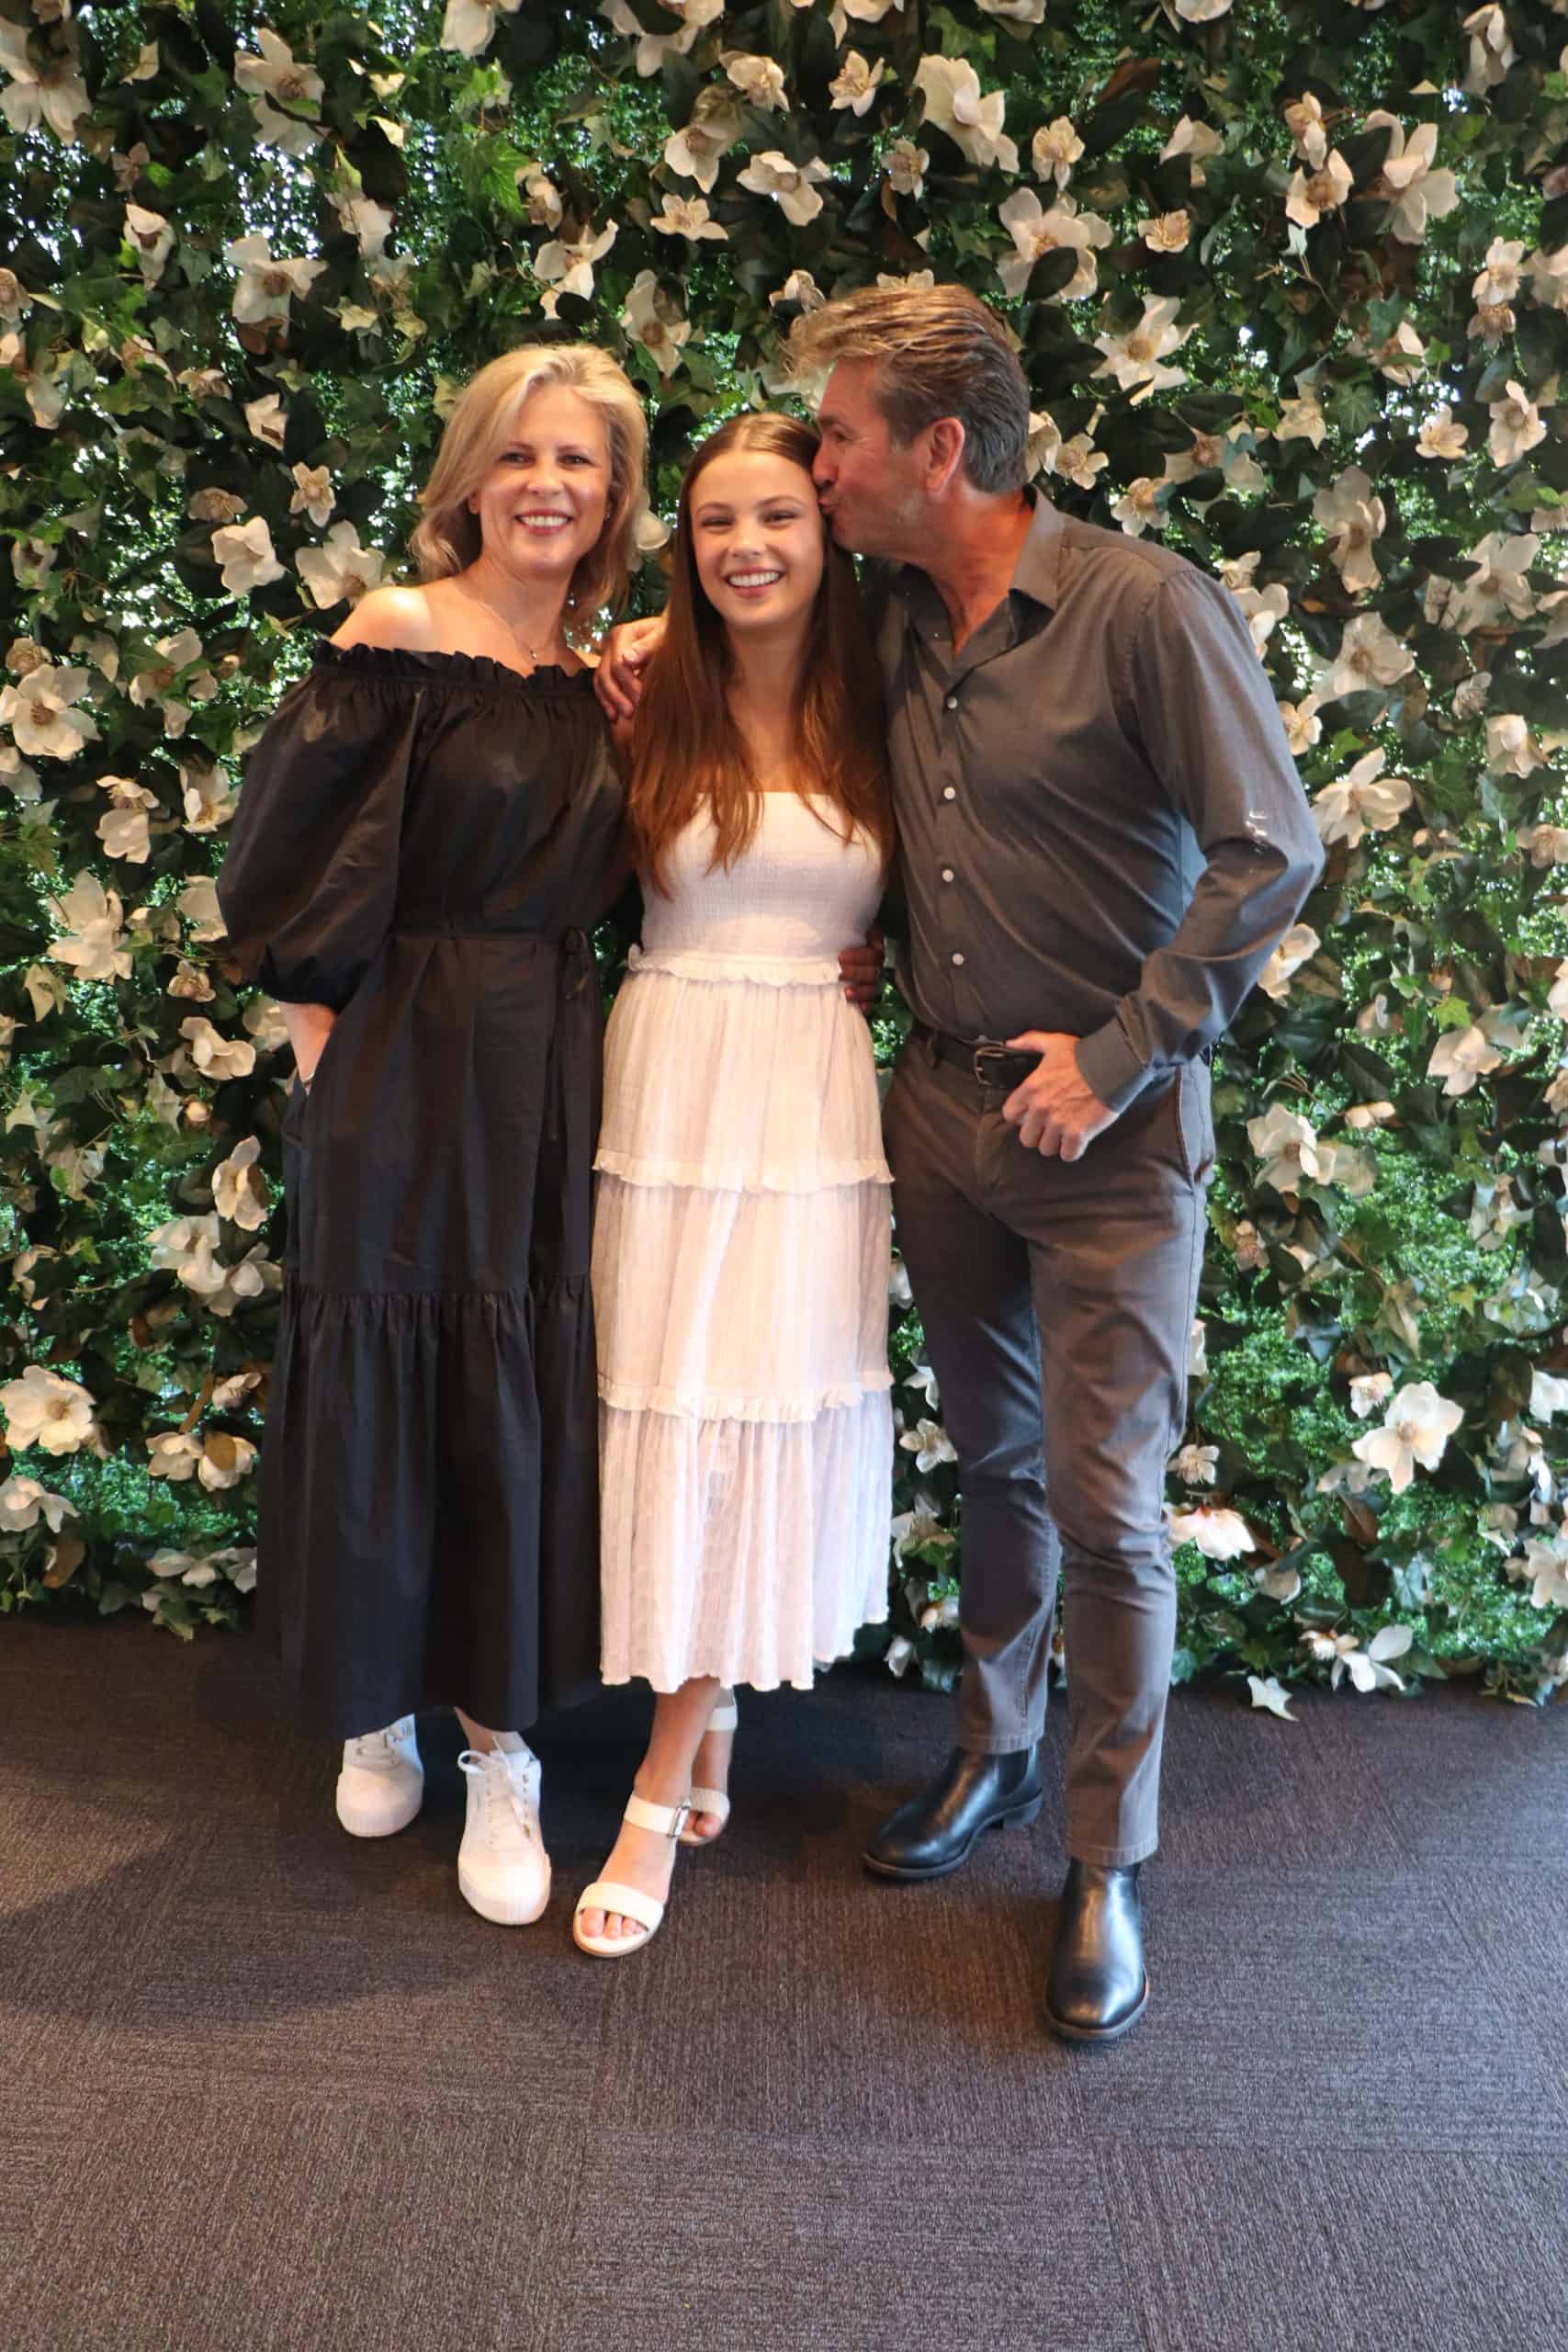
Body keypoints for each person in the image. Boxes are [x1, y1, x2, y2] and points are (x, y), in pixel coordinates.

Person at [597, 284, 1324, 2039]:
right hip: (932, 1111)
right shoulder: (901, 624)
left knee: (1108, 1503)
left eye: (837, 437)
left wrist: (1124, 1054)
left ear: (938, 448)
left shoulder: (1142, 607)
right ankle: (995, 1754)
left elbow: (1273, 850)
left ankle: (1106, 1859)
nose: (818, 465)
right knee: (996, 1464)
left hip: (1108, 1140)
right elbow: (799, 741)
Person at [218, 344, 649, 1931]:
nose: (547, 484)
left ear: (615, 493)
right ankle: (375, 1706)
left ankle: (501, 1750)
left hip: (547, 1064)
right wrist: (327, 1059)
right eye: (519, 454)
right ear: (468, 477)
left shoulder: (608, 673)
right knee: (385, 1363)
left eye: (580, 460)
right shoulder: (396, 635)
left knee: (510, 1384)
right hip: (399, 1051)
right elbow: (283, 861)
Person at [572, 413, 897, 1959]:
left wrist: (893, 960)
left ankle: (656, 1777)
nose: (747, 546)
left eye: (778, 515)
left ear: (829, 534)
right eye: (715, 521)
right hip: (669, 1076)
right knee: (667, 1403)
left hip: (808, 1095)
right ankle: (702, 1714)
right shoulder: (644, 694)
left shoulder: (888, 698)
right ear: (684, 546)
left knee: (754, 1402)